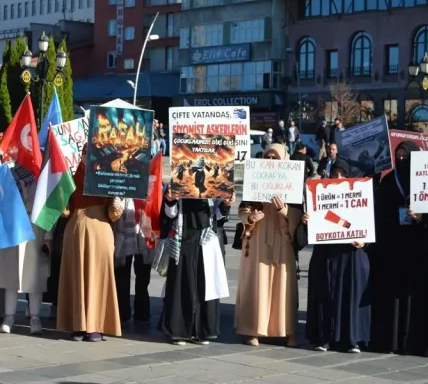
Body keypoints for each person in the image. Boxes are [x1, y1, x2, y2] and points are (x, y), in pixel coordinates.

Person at [235, 144, 303, 347]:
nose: (272, 161)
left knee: (285, 285)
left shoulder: (293, 183)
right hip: (258, 242)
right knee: (258, 284)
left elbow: (300, 215)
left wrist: (284, 210)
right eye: (268, 157)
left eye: (276, 157)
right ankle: (254, 330)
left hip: (284, 240)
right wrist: (250, 217)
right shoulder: (256, 179)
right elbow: (243, 209)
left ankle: (287, 330)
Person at [303, 159, 371, 353]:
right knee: (325, 292)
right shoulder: (320, 193)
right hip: (326, 252)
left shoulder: (359, 192)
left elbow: (368, 224)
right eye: (335, 174)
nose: (338, 178)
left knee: (349, 293)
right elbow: (317, 223)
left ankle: (351, 339)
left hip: (350, 253)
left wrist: (364, 241)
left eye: (343, 174)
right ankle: (323, 337)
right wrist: (308, 220)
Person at [372, 141, 428, 356]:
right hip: (394, 245)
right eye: (399, 156)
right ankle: (393, 340)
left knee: (416, 293)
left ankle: (415, 341)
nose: (402, 159)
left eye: (406, 156)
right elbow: (380, 212)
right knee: (394, 292)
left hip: (418, 245)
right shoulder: (389, 180)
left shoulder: (425, 181)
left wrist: (422, 217)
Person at [57, 156, 123, 342]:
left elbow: (113, 214)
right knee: (77, 275)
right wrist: (60, 201)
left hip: (101, 229)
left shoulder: (107, 173)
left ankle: (96, 325)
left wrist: (117, 205)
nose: (87, 155)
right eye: (84, 150)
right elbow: (66, 211)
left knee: (99, 277)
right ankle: (77, 325)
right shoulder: (70, 174)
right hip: (76, 229)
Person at [157, 187, 232, 345]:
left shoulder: (214, 181)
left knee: (205, 286)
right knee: (180, 285)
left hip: (206, 240)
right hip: (183, 238)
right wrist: (170, 200)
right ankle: (179, 331)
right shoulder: (179, 180)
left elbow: (217, 217)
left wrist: (225, 204)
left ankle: (202, 331)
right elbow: (170, 214)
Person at [0, 164, 50, 334]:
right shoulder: (10, 174)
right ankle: (9, 317)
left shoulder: (43, 173)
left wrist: (49, 236)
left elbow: (50, 206)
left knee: (35, 277)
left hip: (37, 225)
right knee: (11, 274)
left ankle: (35, 317)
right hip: (14, 226)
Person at [113, 198, 154, 325]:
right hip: (123, 226)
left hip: (145, 225)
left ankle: (142, 313)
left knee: (143, 273)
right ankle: (122, 313)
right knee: (121, 271)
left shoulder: (150, 178)